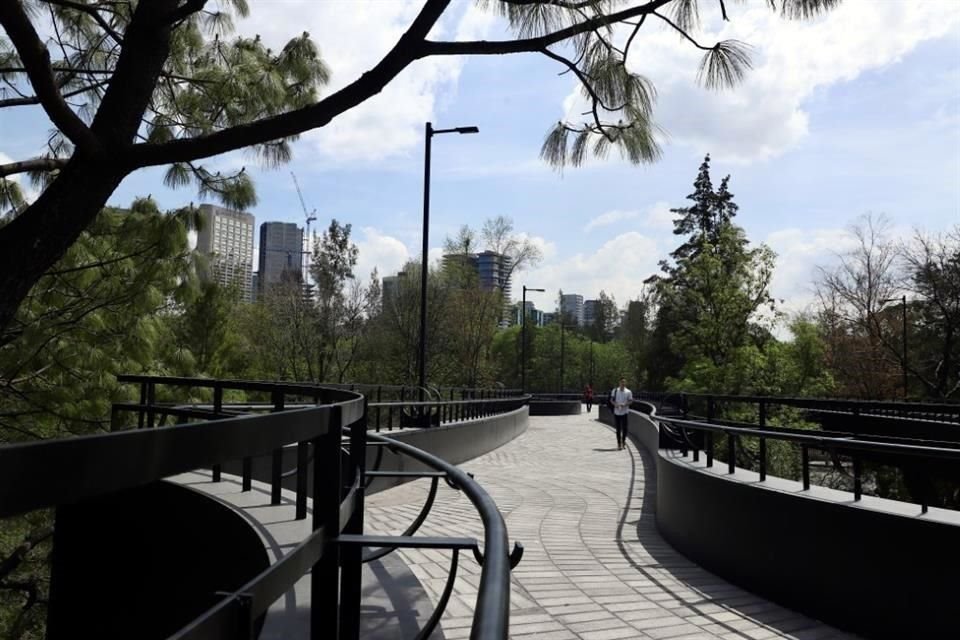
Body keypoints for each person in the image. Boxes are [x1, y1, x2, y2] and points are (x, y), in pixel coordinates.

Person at [609, 378, 633, 450]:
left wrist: (624, 404)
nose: (623, 383)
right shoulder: (615, 390)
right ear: (619, 383)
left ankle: (623, 441)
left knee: (625, 428)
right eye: (622, 382)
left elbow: (631, 401)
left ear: (626, 383)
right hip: (617, 412)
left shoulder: (628, 391)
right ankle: (619, 443)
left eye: (624, 382)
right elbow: (611, 400)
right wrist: (615, 404)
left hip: (625, 412)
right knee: (618, 429)